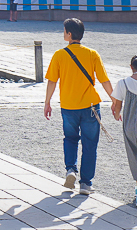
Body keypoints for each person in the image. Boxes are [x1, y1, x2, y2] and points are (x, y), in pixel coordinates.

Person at [44, 17, 113, 195]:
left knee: (70, 139)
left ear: (69, 34)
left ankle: (70, 170)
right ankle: (86, 184)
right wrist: (115, 100)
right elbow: (104, 80)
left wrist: (47, 102)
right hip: (90, 106)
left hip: (68, 105)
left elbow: (52, 81)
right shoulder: (92, 54)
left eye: (64, 30)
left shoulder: (59, 55)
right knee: (90, 144)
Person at [111, 54, 137, 208]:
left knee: (134, 157)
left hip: (129, 125)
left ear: (131, 67)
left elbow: (117, 104)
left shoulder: (123, 83)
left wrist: (117, 115)